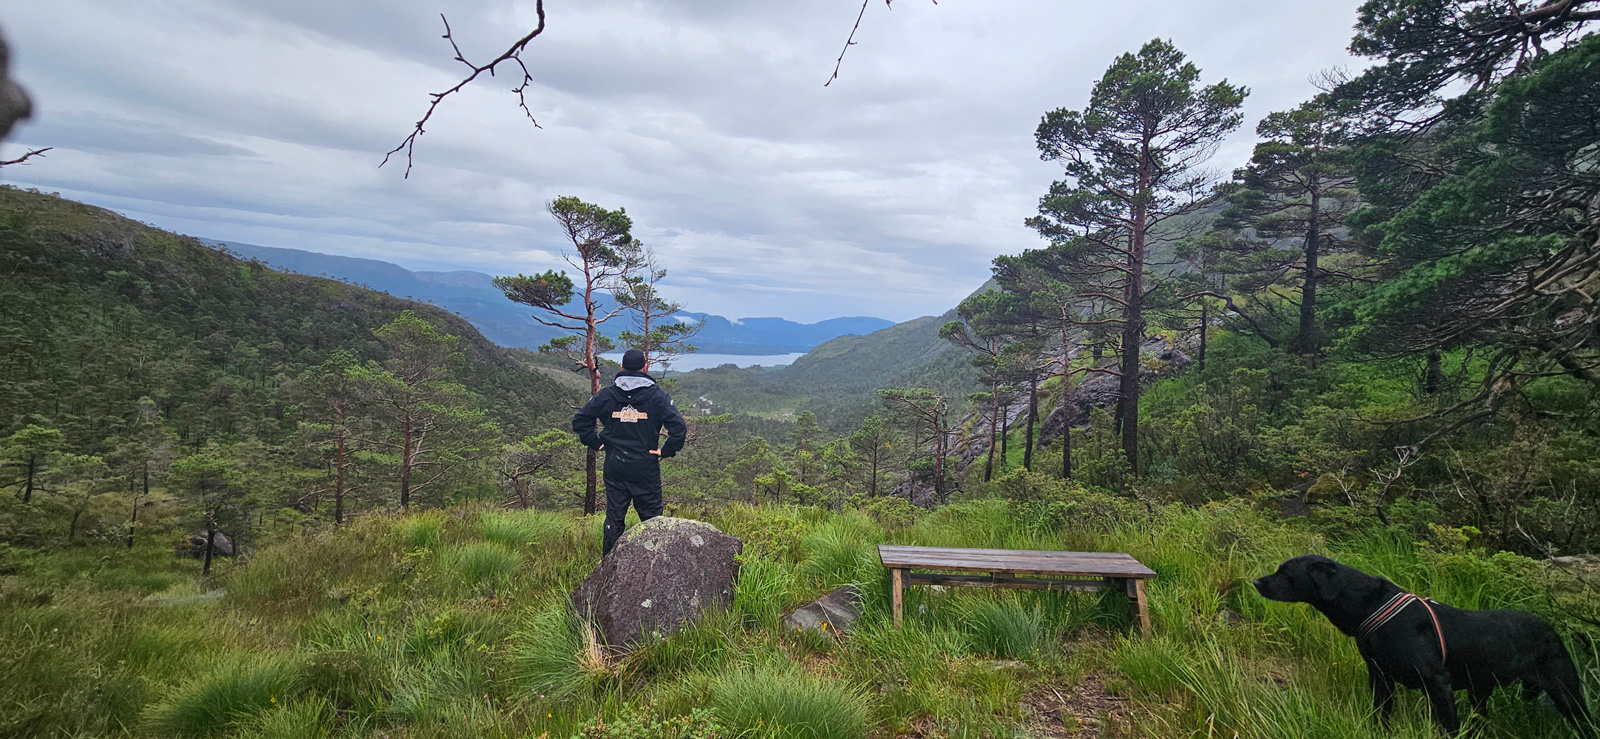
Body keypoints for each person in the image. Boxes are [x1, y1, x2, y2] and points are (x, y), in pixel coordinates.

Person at [571, 348, 688, 555]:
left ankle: (609, 567)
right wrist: (665, 451)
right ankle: (655, 565)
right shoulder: (658, 396)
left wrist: (596, 442)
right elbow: (679, 429)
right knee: (652, 521)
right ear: (645, 367)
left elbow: (580, 420)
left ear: (622, 367)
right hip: (645, 467)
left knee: (614, 519)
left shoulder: (607, 394)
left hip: (615, 465)